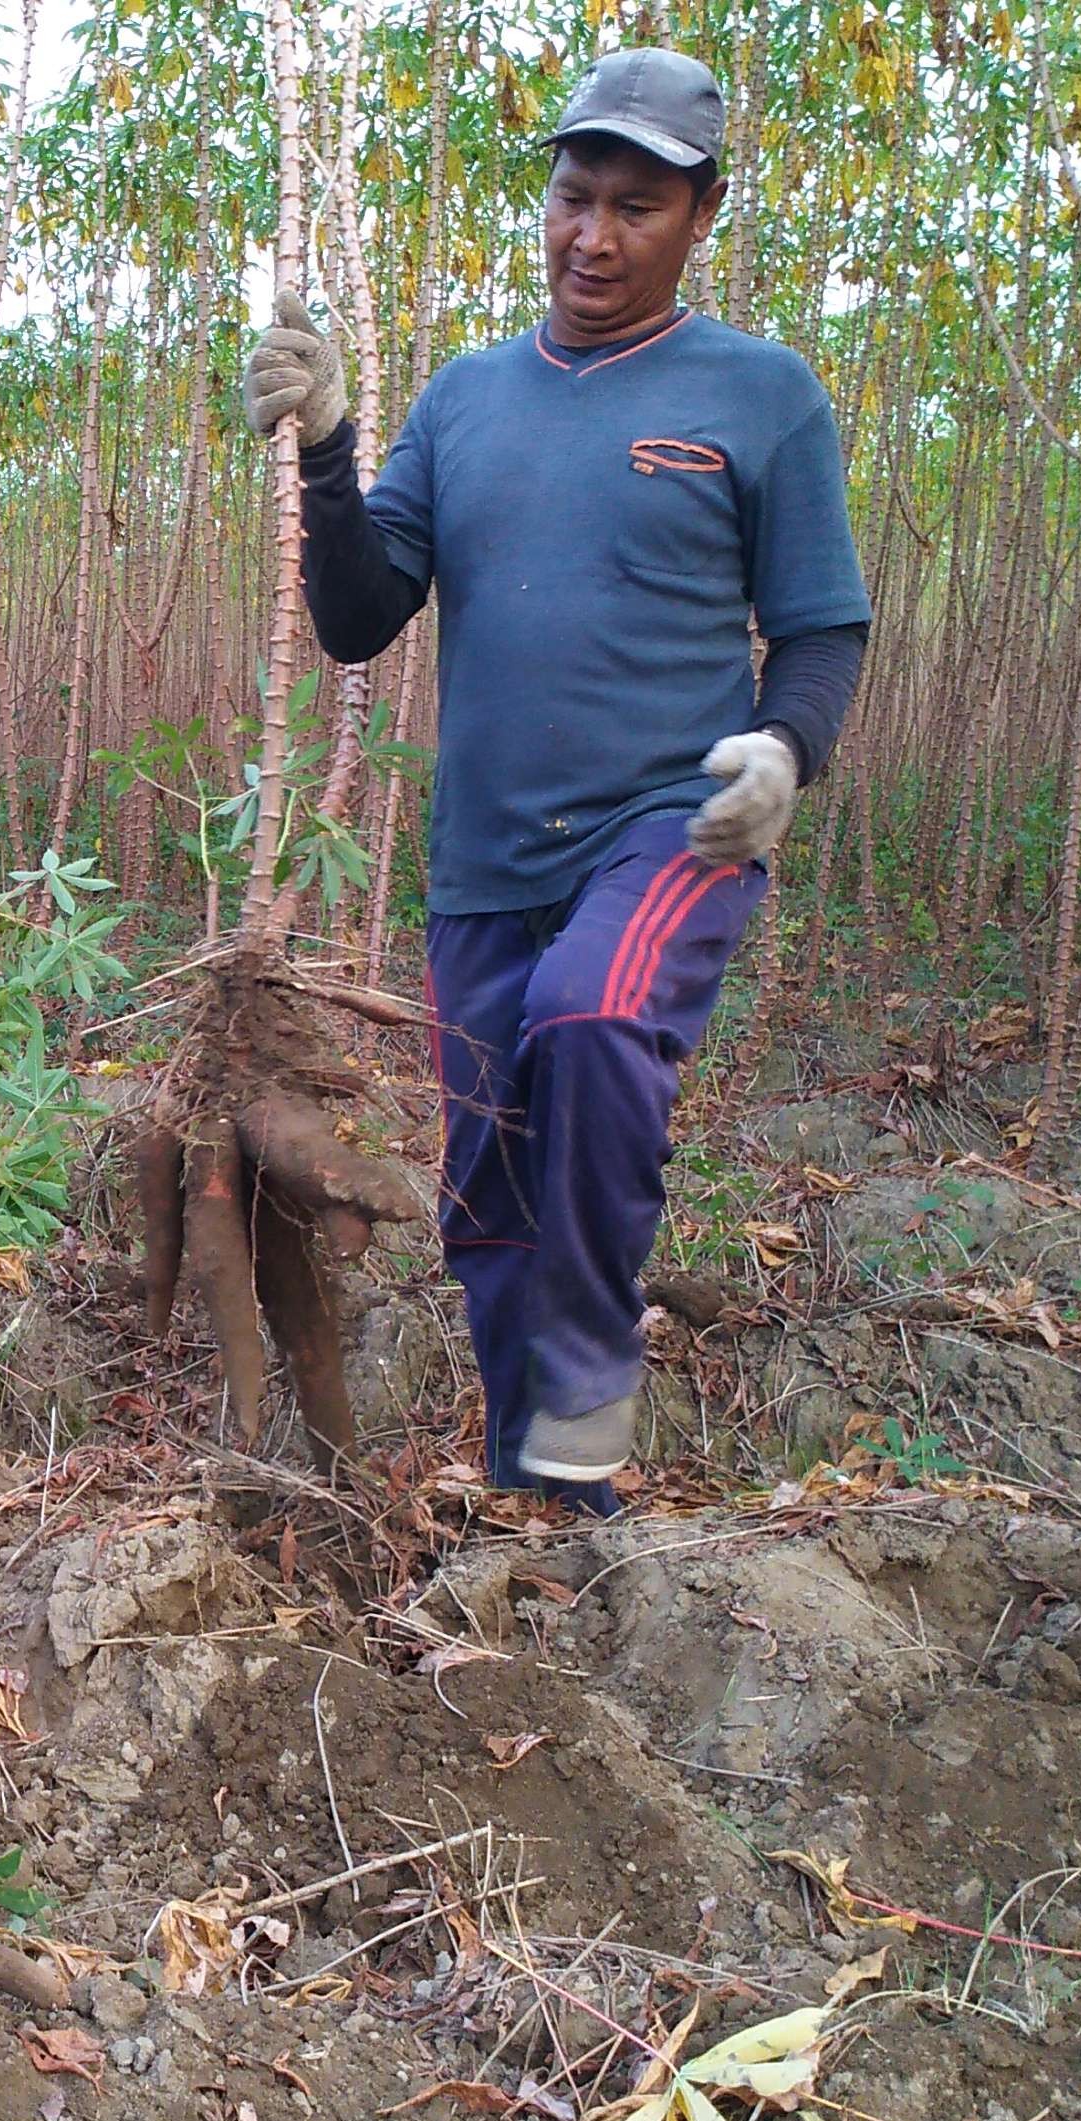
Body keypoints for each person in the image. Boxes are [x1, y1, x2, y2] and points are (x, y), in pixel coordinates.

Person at [238, 47, 870, 1515]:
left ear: (699, 215)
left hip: (672, 822)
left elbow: (825, 625)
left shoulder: (760, 393)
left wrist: (787, 751)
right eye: (575, 197)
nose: (593, 235)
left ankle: (589, 1379)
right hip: (485, 861)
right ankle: (551, 1499)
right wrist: (331, 448)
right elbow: (356, 615)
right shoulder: (467, 402)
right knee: (491, 1195)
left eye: (635, 207)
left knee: (595, 1018)